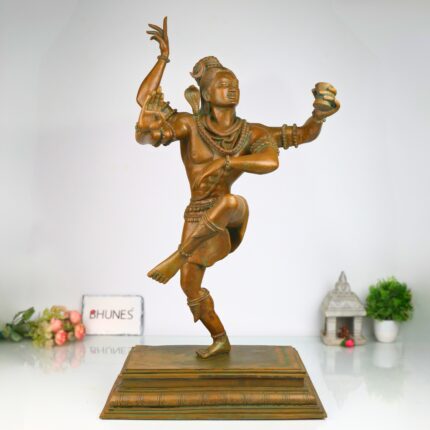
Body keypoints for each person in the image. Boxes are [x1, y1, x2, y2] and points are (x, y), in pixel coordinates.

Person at [135, 18, 340, 358]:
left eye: (235, 83)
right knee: (189, 285)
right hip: (197, 215)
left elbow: (292, 143)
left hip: (230, 216)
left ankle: (178, 255)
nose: (231, 88)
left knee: (231, 200)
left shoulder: (252, 133)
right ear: (205, 93)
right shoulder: (189, 125)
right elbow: (146, 106)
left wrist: (318, 117)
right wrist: (163, 60)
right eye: (222, 84)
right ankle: (220, 339)